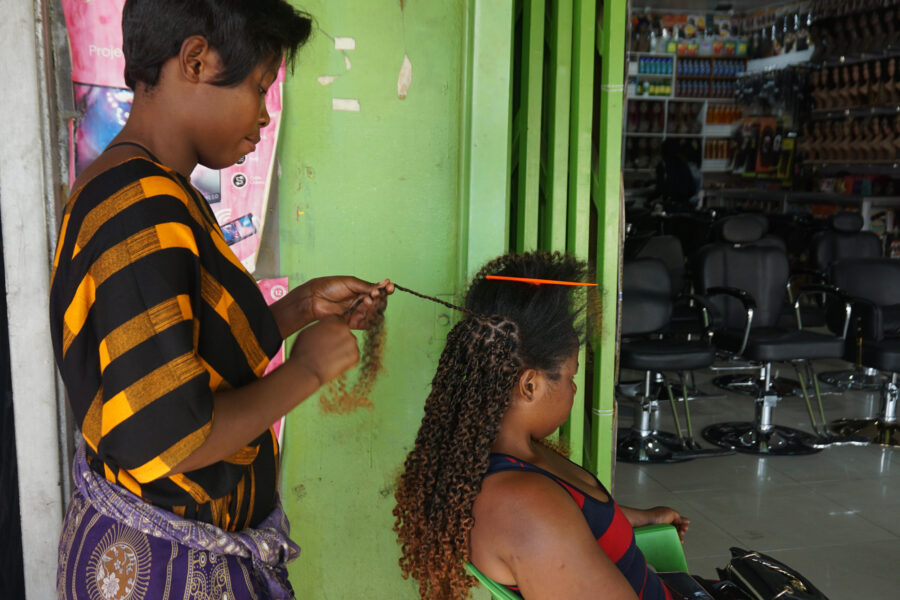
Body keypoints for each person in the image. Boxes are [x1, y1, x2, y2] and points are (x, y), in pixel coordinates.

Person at [50, 1, 392, 598]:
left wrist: (303, 307)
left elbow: (181, 351)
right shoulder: (140, 207)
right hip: (166, 568)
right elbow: (170, 436)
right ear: (196, 60)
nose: (263, 117)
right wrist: (308, 369)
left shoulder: (145, 189)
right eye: (260, 88)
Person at [393, 252, 689, 600]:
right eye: (570, 375)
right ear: (529, 385)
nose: (574, 388)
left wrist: (641, 518)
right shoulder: (522, 504)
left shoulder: (513, 457)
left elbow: (575, 514)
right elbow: (553, 520)